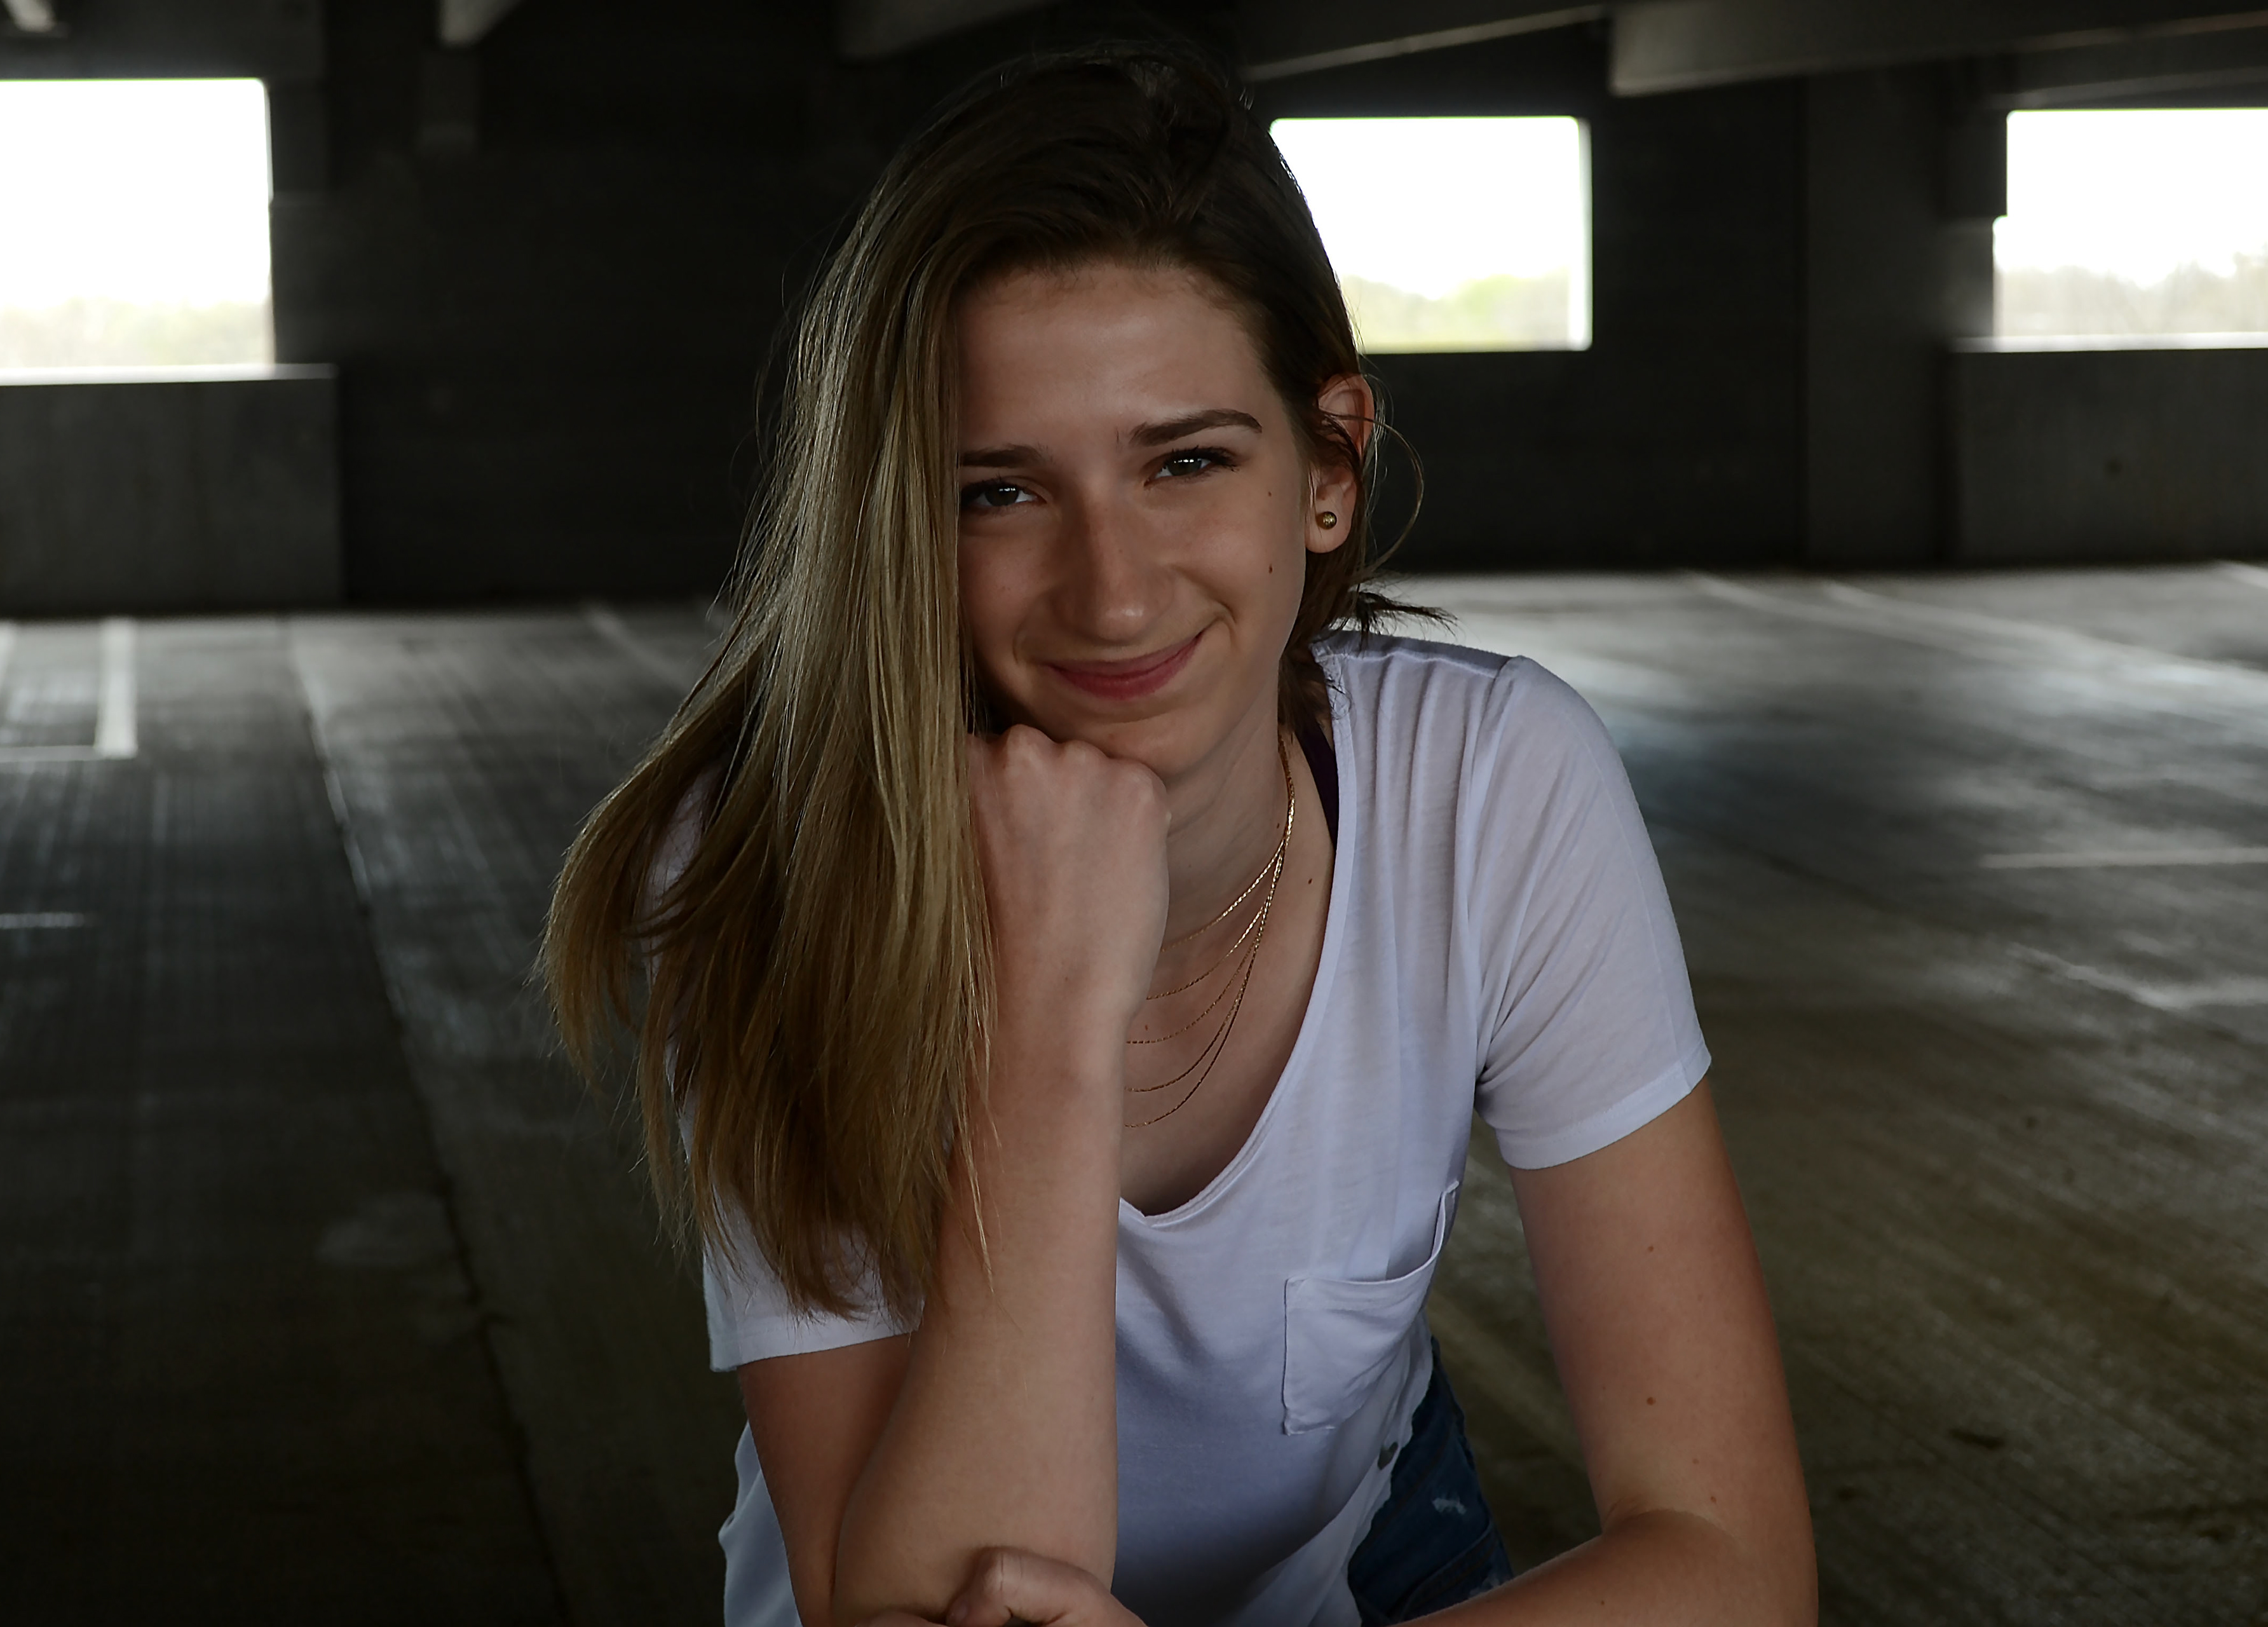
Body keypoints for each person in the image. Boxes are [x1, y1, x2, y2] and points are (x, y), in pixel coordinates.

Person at [545, 46, 1815, 1627]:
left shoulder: (1496, 783)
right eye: (1001, 493)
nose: (1115, 589)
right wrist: (1047, 1026)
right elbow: (922, 1609)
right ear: (903, 517)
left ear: (1329, 467)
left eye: (1187, 461)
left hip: (1362, 1566)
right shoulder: (775, 861)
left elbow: (1732, 1557)